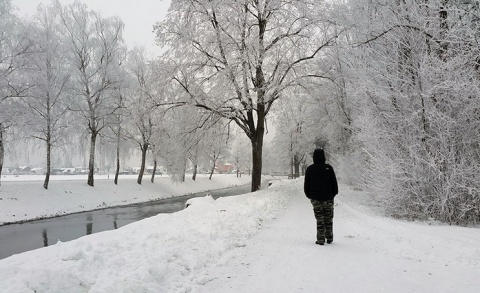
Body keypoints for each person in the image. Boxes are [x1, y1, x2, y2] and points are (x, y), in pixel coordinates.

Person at [304, 149, 338, 245]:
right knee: (329, 217)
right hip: (328, 197)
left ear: (314, 157)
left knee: (319, 218)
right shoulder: (329, 168)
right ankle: (329, 237)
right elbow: (334, 183)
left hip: (315, 198)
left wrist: (309, 195)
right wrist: (333, 193)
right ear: (324, 156)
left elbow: (307, 184)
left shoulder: (310, 169)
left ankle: (320, 239)